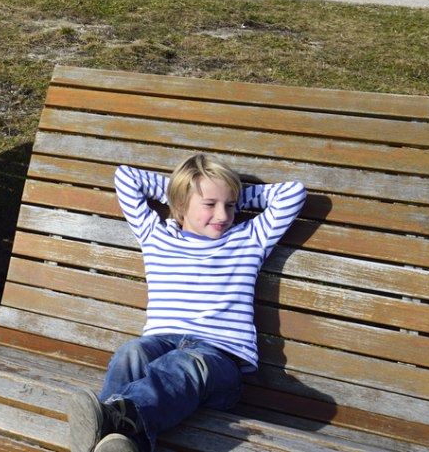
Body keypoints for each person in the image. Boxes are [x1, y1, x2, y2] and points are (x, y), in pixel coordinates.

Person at [67, 156, 307, 452]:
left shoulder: (250, 238)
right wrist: (183, 188)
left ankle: (110, 418)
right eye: (210, 204)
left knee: (184, 363)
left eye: (230, 205)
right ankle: (120, 440)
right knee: (130, 353)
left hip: (218, 361)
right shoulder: (155, 235)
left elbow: (294, 193)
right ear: (180, 203)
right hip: (159, 343)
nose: (223, 214)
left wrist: (228, 193)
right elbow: (126, 178)